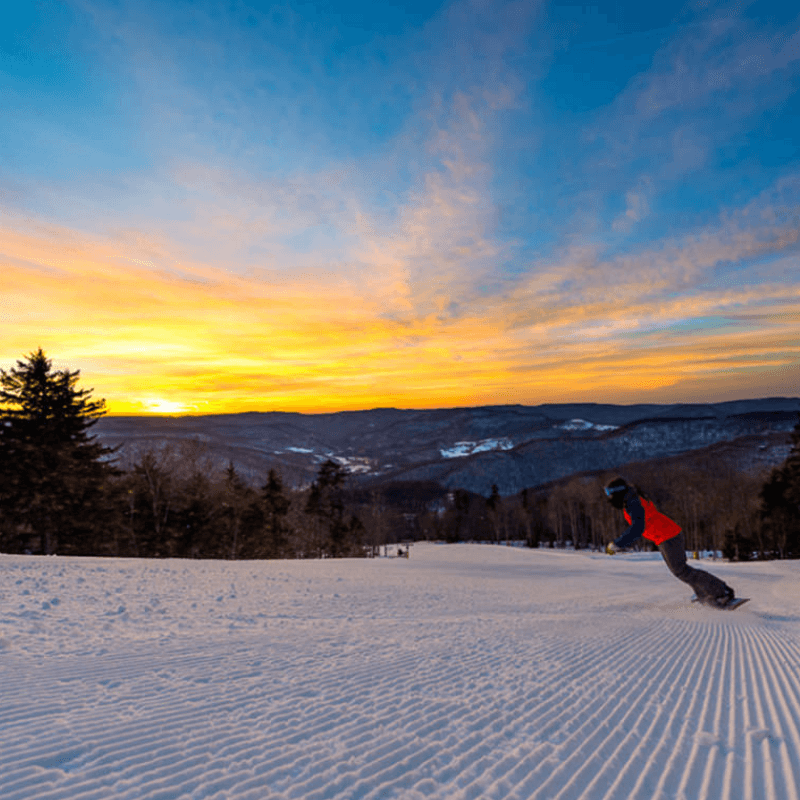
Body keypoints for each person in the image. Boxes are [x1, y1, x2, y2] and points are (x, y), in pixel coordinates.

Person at [603, 477, 737, 608]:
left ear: (618, 492)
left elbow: (637, 528)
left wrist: (618, 544)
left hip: (668, 535)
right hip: (664, 536)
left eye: (609, 493)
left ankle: (721, 592)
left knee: (681, 571)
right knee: (680, 570)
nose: (608, 498)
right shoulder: (631, 499)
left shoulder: (633, 503)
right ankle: (705, 594)